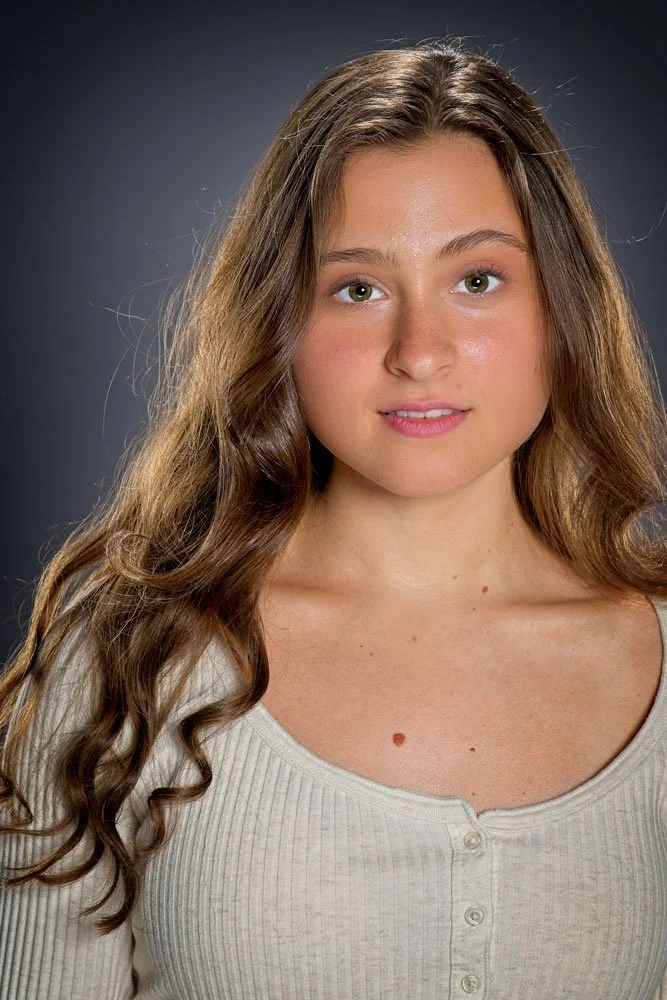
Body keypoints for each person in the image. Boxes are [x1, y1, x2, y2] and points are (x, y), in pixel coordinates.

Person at [1, 38, 666, 1000]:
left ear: (560, 309)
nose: (419, 352)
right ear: (281, 323)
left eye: (476, 279)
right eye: (357, 289)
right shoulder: (127, 659)